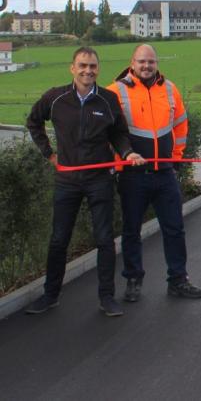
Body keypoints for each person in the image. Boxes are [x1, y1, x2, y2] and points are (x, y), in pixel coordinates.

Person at [25, 46, 145, 317]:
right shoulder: (56, 98)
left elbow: (119, 135)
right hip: (67, 179)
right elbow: (33, 122)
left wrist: (128, 152)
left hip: (99, 179)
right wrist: (50, 154)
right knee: (58, 240)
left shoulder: (108, 99)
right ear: (72, 68)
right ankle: (50, 295)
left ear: (98, 69)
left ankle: (106, 297)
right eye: (82, 65)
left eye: (92, 66)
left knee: (104, 240)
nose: (87, 71)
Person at [107, 44, 201, 303]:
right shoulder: (115, 91)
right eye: (142, 62)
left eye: (151, 61)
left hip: (165, 173)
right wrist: (118, 163)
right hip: (132, 175)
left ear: (156, 63)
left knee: (174, 228)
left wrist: (177, 157)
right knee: (131, 231)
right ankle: (133, 279)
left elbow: (181, 123)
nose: (147, 66)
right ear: (132, 62)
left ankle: (178, 279)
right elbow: (109, 133)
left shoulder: (169, 89)